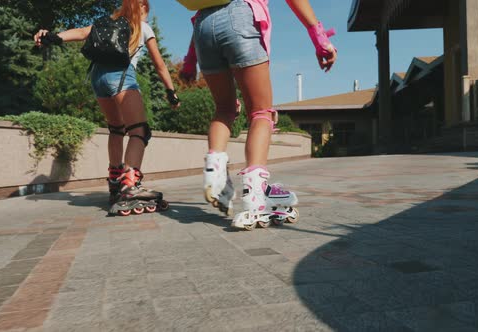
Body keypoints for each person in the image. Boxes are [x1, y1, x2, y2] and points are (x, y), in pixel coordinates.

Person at [177, 0, 337, 229]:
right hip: (240, 16)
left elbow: (209, 9)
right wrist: (320, 38)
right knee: (262, 112)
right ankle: (255, 200)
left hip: (203, 26)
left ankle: (215, 172)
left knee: (224, 109)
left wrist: (190, 62)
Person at [34, 0, 180, 215]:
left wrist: (53, 37)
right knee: (139, 130)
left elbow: (82, 32)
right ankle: (130, 185)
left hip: (97, 78)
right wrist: (171, 92)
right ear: (142, 8)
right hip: (121, 76)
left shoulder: (106, 22)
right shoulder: (142, 27)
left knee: (117, 129)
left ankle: (115, 181)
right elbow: (159, 64)